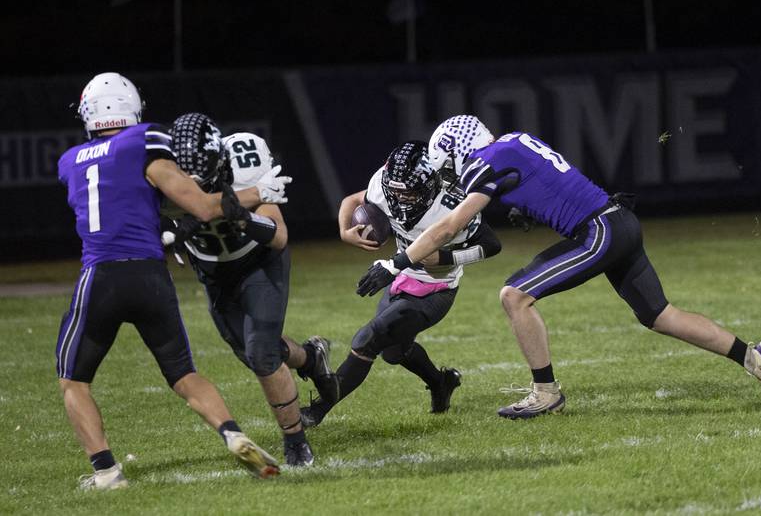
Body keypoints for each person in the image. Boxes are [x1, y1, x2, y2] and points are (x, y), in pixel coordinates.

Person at [356, 115, 761, 420]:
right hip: (618, 220)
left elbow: (448, 226)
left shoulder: (485, 163)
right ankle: (750, 354)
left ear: (456, 153)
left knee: (514, 296)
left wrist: (396, 263)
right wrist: (533, 204)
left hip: (597, 231)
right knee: (660, 315)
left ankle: (545, 391)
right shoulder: (515, 142)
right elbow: (550, 179)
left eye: (447, 166)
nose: (448, 175)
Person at [56, 73, 289, 490]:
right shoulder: (145, 139)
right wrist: (257, 192)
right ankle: (232, 433)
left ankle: (107, 471)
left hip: (101, 276)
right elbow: (201, 207)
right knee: (184, 374)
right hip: (149, 276)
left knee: (74, 380)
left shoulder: (69, 161)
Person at [164, 115, 338, 466]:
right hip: (212, 269)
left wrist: (239, 216)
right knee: (254, 353)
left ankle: (295, 442)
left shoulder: (245, 157)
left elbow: (278, 235)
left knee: (261, 355)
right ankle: (309, 356)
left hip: (257, 259)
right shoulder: (159, 170)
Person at [300, 140, 501, 427]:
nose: (401, 200)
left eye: (409, 193)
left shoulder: (452, 202)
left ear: (431, 184)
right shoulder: (384, 186)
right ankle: (441, 382)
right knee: (393, 351)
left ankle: (318, 410)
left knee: (369, 338)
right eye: (397, 193)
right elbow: (352, 201)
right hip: (403, 276)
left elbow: (492, 244)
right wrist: (345, 231)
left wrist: (446, 256)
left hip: (437, 288)